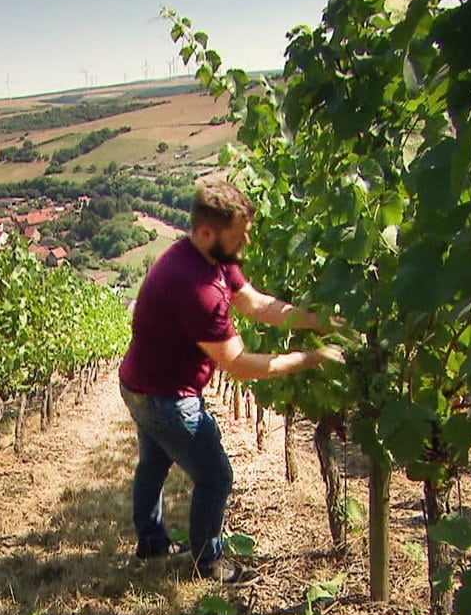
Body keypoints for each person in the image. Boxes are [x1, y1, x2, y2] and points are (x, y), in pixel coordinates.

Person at [118, 177, 344, 585]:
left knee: (153, 462)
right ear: (208, 231)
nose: (247, 243)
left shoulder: (212, 257)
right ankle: (208, 563)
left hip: (139, 385)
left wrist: (318, 322)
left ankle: (151, 544)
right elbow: (238, 364)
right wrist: (312, 358)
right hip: (163, 397)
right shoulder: (196, 287)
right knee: (215, 476)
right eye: (240, 235)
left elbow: (255, 303)